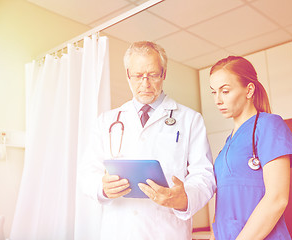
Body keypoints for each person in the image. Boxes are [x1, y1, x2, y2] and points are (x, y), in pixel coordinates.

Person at [79, 41, 216, 240]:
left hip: (167, 231)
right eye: (137, 76)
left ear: (164, 74)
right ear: (128, 75)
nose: (145, 84)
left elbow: (204, 175)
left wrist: (184, 198)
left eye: (152, 75)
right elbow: (87, 172)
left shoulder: (190, 120)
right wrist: (102, 187)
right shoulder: (106, 121)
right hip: (119, 230)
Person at [208, 56, 292, 240]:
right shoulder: (228, 143)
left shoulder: (269, 126)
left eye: (225, 91)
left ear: (249, 90)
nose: (217, 100)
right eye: (213, 92)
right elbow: (224, 202)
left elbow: (277, 198)